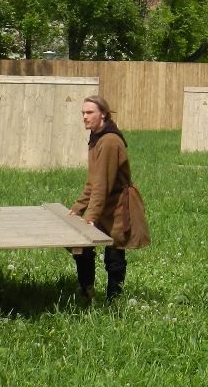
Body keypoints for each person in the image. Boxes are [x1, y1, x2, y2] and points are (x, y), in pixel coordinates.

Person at [68, 96, 134, 301]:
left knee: (114, 255)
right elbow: (93, 180)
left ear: (103, 114)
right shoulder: (97, 138)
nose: (85, 117)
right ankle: (87, 290)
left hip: (116, 206)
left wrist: (91, 216)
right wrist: (78, 208)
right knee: (82, 246)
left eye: (89, 113)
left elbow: (103, 184)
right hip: (102, 201)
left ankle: (114, 300)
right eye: (83, 113)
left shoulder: (110, 141)